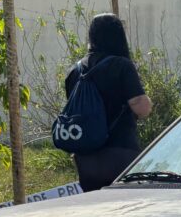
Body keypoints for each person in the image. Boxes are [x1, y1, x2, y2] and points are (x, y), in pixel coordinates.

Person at [63, 13, 154, 191]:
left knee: (96, 205)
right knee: (126, 205)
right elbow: (141, 108)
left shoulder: (75, 71)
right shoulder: (122, 66)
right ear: (119, 36)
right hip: (121, 154)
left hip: (85, 159)